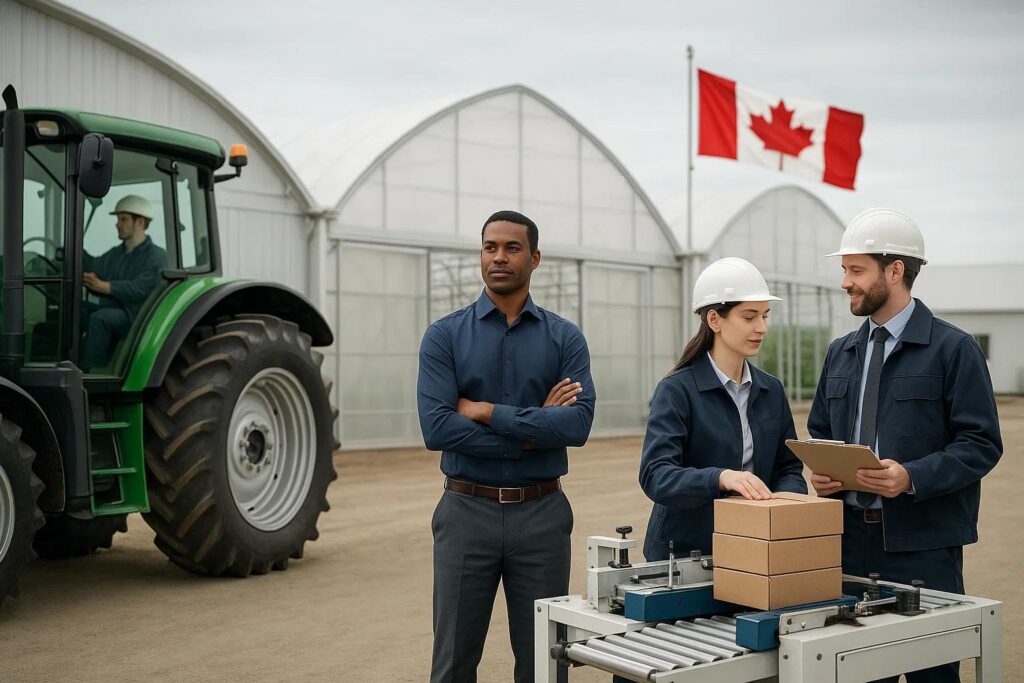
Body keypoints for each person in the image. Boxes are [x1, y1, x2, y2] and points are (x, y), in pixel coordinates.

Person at [807, 208, 1002, 683]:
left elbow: (980, 443)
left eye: (856, 270)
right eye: (845, 270)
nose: (845, 282)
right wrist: (821, 471)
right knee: (854, 672)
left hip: (923, 549)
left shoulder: (952, 349)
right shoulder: (841, 352)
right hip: (849, 543)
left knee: (931, 671)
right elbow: (820, 430)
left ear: (895, 271)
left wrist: (911, 477)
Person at [417, 210, 595, 683]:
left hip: (542, 517)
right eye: (490, 247)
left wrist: (486, 412)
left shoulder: (565, 338)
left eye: (512, 248)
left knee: (544, 663)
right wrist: (537, 427)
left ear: (534, 258)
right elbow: (437, 429)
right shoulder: (444, 336)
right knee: (453, 660)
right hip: (464, 513)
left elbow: (577, 425)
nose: (499, 257)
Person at [639, 257, 807, 563]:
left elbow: (789, 468)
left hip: (754, 546)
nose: (762, 328)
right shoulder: (677, 390)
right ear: (714, 319)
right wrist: (721, 478)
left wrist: (786, 501)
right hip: (685, 556)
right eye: (749, 317)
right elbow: (656, 475)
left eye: (765, 316)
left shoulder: (771, 390)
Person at [80, 194, 166, 369]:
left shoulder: (156, 256)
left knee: (99, 319)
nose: (117, 224)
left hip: (137, 315)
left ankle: (92, 373)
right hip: (115, 308)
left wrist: (106, 287)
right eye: (118, 219)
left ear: (140, 222)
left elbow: (140, 289)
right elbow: (95, 266)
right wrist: (74, 250)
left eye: (123, 219)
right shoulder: (117, 253)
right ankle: (70, 364)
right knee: (77, 312)